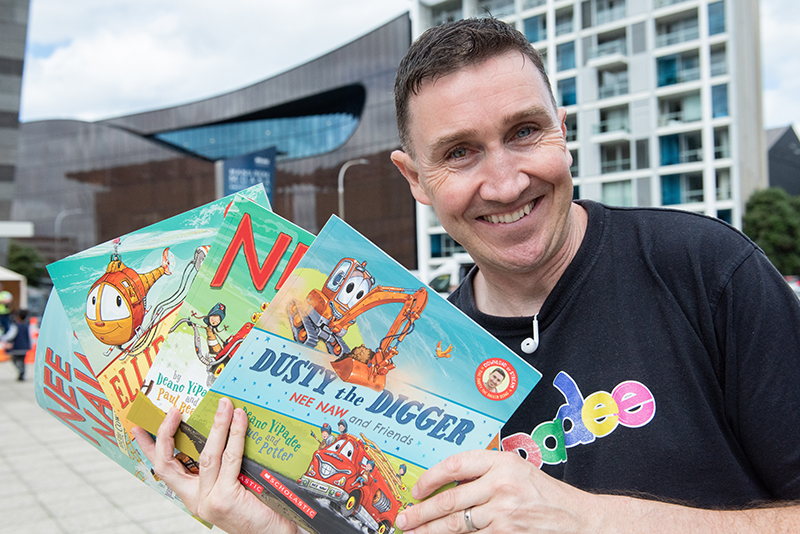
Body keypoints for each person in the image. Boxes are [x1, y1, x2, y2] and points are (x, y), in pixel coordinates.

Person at [133, 17, 800, 533]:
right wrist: (274, 526)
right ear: (414, 180)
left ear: (563, 131)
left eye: (525, 131)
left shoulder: (706, 270)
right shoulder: (418, 357)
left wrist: (592, 519)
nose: (506, 181)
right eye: (459, 153)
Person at [2, 309, 31, 381]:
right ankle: (22, 373)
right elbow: (30, 336)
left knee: (14, 360)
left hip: (17, 347)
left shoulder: (15, 326)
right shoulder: (27, 326)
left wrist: (2, 338)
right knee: (23, 361)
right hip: (25, 347)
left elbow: (10, 336)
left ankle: (20, 370)